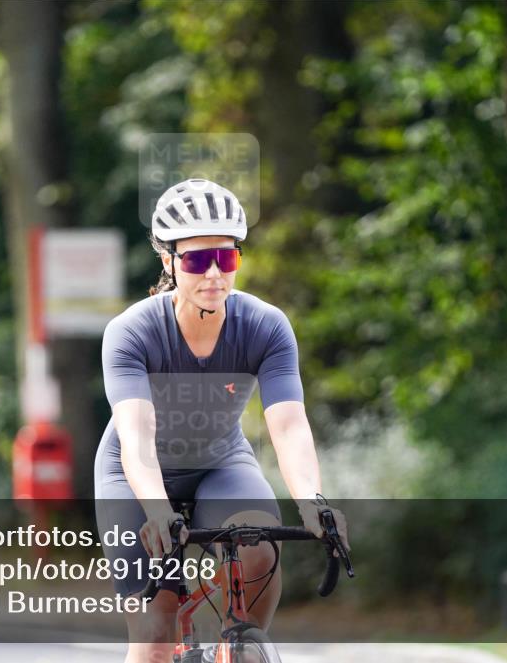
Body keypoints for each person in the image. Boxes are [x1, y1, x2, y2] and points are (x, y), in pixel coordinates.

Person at [94, 178, 349, 663]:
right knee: (154, 631)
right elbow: (137, 437)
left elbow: (290, 425)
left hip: (219, 463)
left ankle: (242, 645)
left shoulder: (265, 325)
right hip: (135, 476)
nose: (214, 273)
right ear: (168, 260)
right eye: (195, 259)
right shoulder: (131, 332)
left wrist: (314, 502)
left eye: (227, 257)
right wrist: (157, 511)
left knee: (257, 545)